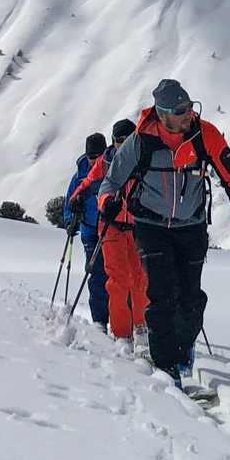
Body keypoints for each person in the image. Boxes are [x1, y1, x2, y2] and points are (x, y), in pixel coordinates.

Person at [97, 78, 230, 385]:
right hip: (150, 226)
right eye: (181, 110)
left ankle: (184, 350)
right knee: (161, 295)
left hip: (191, 227)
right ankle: (165, 367)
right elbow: (111, 181)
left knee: (190, 298)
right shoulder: (141, 140)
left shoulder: (204, 134)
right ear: (162, 113)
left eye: (189, 107)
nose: (188, 114)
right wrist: (107, 201)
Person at [92, 118, 148, 344]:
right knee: (118, 280)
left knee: (140, 279)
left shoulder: (144, 160)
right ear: (113, 141)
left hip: (136, 228)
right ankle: (122, 332)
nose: (123, 145)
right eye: (119, 141)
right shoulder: (105, 163)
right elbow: (89, 183)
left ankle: (140, 324)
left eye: (128, 140)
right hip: (111, 227)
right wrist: (81, 199)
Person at [61, 133, 108, 327]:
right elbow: (69, 201)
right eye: (91, 156)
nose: (94, 161)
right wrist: (69, 221)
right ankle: (99, 320)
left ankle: (122, 319)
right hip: (90, 229)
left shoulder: (113, 169)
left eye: (99, 156)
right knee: (96, 274)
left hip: (112, 229)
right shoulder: (79, 175)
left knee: (117, 276)